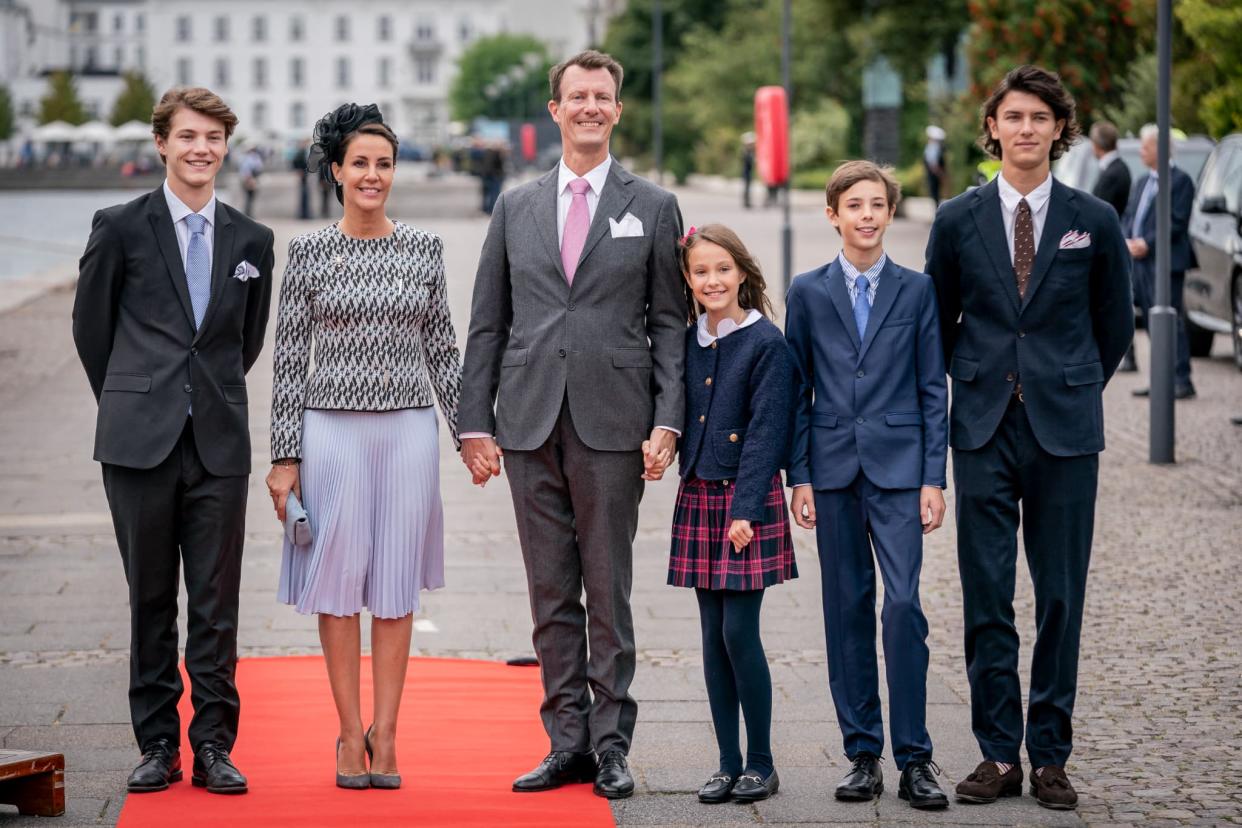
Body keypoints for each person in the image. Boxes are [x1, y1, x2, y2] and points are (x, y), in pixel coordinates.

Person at [458, 49, 684, 800]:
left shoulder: (652, 206)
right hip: (526, 422)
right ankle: (566, 742)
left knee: (608, 588)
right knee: (549, 591)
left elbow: (670, 325)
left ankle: (612, 744)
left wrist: (669, 421)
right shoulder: (515, 206)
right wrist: (473, 423)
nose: (589, 106)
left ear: (618, 110)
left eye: (602, 96)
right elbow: (488, 322)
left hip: (614, 422)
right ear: (553, 111)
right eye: (576, 96)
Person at [924, 65, 1132, 810]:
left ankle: (1049, 755)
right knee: (986, 596)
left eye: (1040, 118)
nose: (1025, 129)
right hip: (981, 427)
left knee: (1061, 598)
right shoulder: (956, 219)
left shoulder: (1092, 220)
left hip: (1065, 432)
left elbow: (1113, 326)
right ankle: (995, 754)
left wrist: (1067, 382)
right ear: (992, 128)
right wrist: (983, 379)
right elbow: (937, 323)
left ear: (1058, 130)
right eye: (1013, 117)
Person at [71, 86, 274, 796]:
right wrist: (136, 397)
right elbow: (91, 332)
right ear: (162, 142)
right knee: (150, 598)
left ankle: (215, 742)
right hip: (138, 443)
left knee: (216, 604)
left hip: (219, 444)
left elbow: (243, 342)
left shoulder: (253, 240)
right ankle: (157, 742)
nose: (201, 149)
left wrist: (202, 396)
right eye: (188, 136)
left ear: (226, 147)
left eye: (214, 138)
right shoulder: (119, 226)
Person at [266, 103, 462, 790]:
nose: (372, 175)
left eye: (383, 164)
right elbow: (289, 360)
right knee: (339, 584)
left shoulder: (424, 250)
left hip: (408, 430)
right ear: (336, 171)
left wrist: (471, 434)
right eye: (360, 164)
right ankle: (349, 733)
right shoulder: (309, 252)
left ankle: (389, 732)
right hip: (331, 433)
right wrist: (284, 457)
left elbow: (443, 349)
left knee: (396, 586)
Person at [786, 161, 949, 810]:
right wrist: (797, 474)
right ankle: (862, 752)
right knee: (846, 608)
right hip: (830, 470)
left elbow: (932, 387)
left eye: (877, 204)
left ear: (889, 213)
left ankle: (916, 757)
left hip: (900, 470)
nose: (866, 215)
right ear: (832, 215)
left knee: (903, 605)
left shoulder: (916, 291)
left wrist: (934, 478)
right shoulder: (808, 291)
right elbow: (796, 389)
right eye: (854, 205)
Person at [668, 224, 796, 805]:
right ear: (689, 281)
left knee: (739, 633)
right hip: (699, 494)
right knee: (711, 638)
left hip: (747, 502)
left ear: (742, 272)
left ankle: (762, 763)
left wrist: (746, 510)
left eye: (722, 269)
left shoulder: (766, 342)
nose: (712, 280)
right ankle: (726, 762)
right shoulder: (687, 339)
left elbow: (769, 433)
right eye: (701, 272)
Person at [1123, 123, 1198, 399]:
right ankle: (1160, 381)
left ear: (1160, 147)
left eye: (1145, 147)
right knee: (1153, 325)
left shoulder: (1180, 181)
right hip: (1140, 262)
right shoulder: (1142, 181)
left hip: (1166, 262)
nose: (1141, 152)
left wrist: (1148, 243)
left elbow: (1176, 221)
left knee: (1171, 321)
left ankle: (1181, 380)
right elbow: (1130, 215)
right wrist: (1128, 240)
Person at [1089, 120, 1136, 371]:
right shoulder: (1115, 168)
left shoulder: (1115, 171)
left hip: (1112, 244)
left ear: (1097, 145)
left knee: (1116, 299)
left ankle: (1128, 356)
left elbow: (1101, 210)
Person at [923, 126, 948, 206]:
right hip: (935, 174)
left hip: (934, 174)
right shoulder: (933, 147)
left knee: (935, 193)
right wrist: (940, 174)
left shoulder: (932, 147)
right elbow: (934, 165)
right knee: (935, 193)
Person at [238, 144, 263, 217]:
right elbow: (250, 169)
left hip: (250, 178)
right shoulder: (252, 158)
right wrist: (249, 179)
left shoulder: (247, 158)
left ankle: (248, 213)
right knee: (249, 197)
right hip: (250, 179)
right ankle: (248, 214)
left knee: (249, 198)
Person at [741, 132, 756, 209]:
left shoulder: (750, 152)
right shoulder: (745, 152)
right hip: (746, 172)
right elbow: (748, 161)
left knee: (748, 187)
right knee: (747, 187)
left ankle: (747, 201)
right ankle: (746, 202)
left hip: (748, 172)